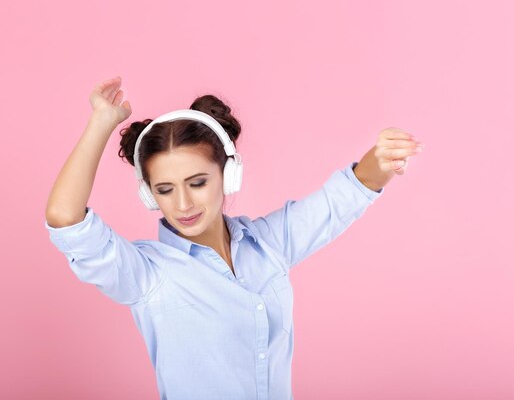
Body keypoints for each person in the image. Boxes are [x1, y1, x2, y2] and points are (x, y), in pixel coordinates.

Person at [44, 76, 425, 400]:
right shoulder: (147, 274)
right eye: (164, 189)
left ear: (228, 176)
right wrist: (102, 122)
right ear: (148, 194)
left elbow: (343, 197)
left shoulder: (269, 244)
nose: (182, 203)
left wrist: (384, 156)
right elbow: (65, 218)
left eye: (197, 182)